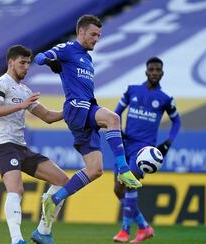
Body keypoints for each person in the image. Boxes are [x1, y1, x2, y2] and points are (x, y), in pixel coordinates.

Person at [34, 15, 141, 226]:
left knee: (95, 170)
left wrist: (58, 66)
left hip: (83, 114)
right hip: (77, 107)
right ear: (81, 32)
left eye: (99, 36)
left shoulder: (87, 58)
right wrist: (50, 61)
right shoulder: (67, 48)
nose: (96, 39)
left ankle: (53, 199)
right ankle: (124, 170)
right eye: (93, 34)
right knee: (112, 118)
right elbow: (39, 57)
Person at [0, 45, 69, 244]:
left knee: (62, 180)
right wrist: (21, 106)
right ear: (11, 62)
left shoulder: (25, 91)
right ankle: (16, 242)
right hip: (3, 145)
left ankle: (43, 231)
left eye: (28, 64)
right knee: (16, 190)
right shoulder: (1, 84)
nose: (26, 68)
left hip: (21, 147)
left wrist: (70, 109)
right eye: (22, 63)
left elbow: (48, 116)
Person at [112, 57, 181, 243]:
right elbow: (116, 113)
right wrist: (116, 128)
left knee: (130, 181)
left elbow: (177, 121)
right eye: (152, 69)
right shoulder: (132, 90)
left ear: (162, 73)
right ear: (146, 71)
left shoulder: (165, 99)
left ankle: (125, 230)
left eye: (158, 70)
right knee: (118, 190)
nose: (155, 72)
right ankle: (143, 227)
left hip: (144, 150)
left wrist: (168, 142)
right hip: (125, 145)